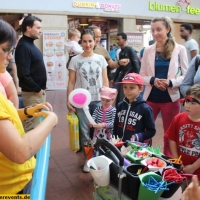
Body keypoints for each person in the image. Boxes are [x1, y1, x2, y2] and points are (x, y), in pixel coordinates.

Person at [0, 18, 58, 194]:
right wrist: (52, 121)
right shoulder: (25, 47)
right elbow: (20, 151)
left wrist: (27, 112)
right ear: (28, 28)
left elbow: (6, 117)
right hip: (12, 189)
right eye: (5, 50)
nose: (10, 57)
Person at [140, 16, 188, 157]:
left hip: (170, 99)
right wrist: (154, 80)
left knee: (169, 135)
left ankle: (169, 162)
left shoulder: (180, 50)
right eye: (153, 30)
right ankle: (142, 158)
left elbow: (186, 75)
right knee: (145, 131)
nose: (155, 33)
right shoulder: (148, 50)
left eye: (159, 29)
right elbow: (141, 76)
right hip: (150, 99)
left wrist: (170, 83)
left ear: (167, 29)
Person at [66, 29, 109, 172]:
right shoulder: (75, 60)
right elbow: (71, 82)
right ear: (81, 42)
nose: (87, 44)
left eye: (90, 41)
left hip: (98, 100)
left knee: (98, 131)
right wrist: (69, 100)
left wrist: (107, 98)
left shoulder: (100, 59)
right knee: (84, 131)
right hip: (81, 101)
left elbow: (105, 79)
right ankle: (88, 160)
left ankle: (98, 157)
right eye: (84, 41)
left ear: (95, 41)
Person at [15, 16, 47, 132]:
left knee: (37, 124)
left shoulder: (30, 45)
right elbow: (23, 74)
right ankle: (30, 150)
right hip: (33, 94)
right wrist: (37, 89)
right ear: (28, 28)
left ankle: (34, 149)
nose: (40, 30)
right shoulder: (23, 46)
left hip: (37, 93)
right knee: (32, 126)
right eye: (38, 28)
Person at [165, 84, 200, 190]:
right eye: (187, 101)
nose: (187, 105)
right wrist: (176, 160)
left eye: (193, 103)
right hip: (180, 169)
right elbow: (172, 139)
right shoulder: (179, 118)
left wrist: (194, 167)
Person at [113, 73, 156, 142]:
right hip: (118, 145)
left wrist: (138, 136)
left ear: (141, 89)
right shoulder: (120, 105)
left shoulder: (145, 109)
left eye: (132, 88)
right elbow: (115, 125)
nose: (127, 91)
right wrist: (113, 138)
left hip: (134, 148)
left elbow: (151, 131)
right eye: (125, 87)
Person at [114, 32, 141, 105]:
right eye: (116, 39)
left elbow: (136, 65)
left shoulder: (130, 50)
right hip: (123, 76)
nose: (117, 41)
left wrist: (136, 79)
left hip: (129, 77)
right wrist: (113, 79)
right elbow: (119, 66)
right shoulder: (120, 52)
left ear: (125, 39)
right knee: (119, 94)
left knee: (125, 95)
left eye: (119, 39)